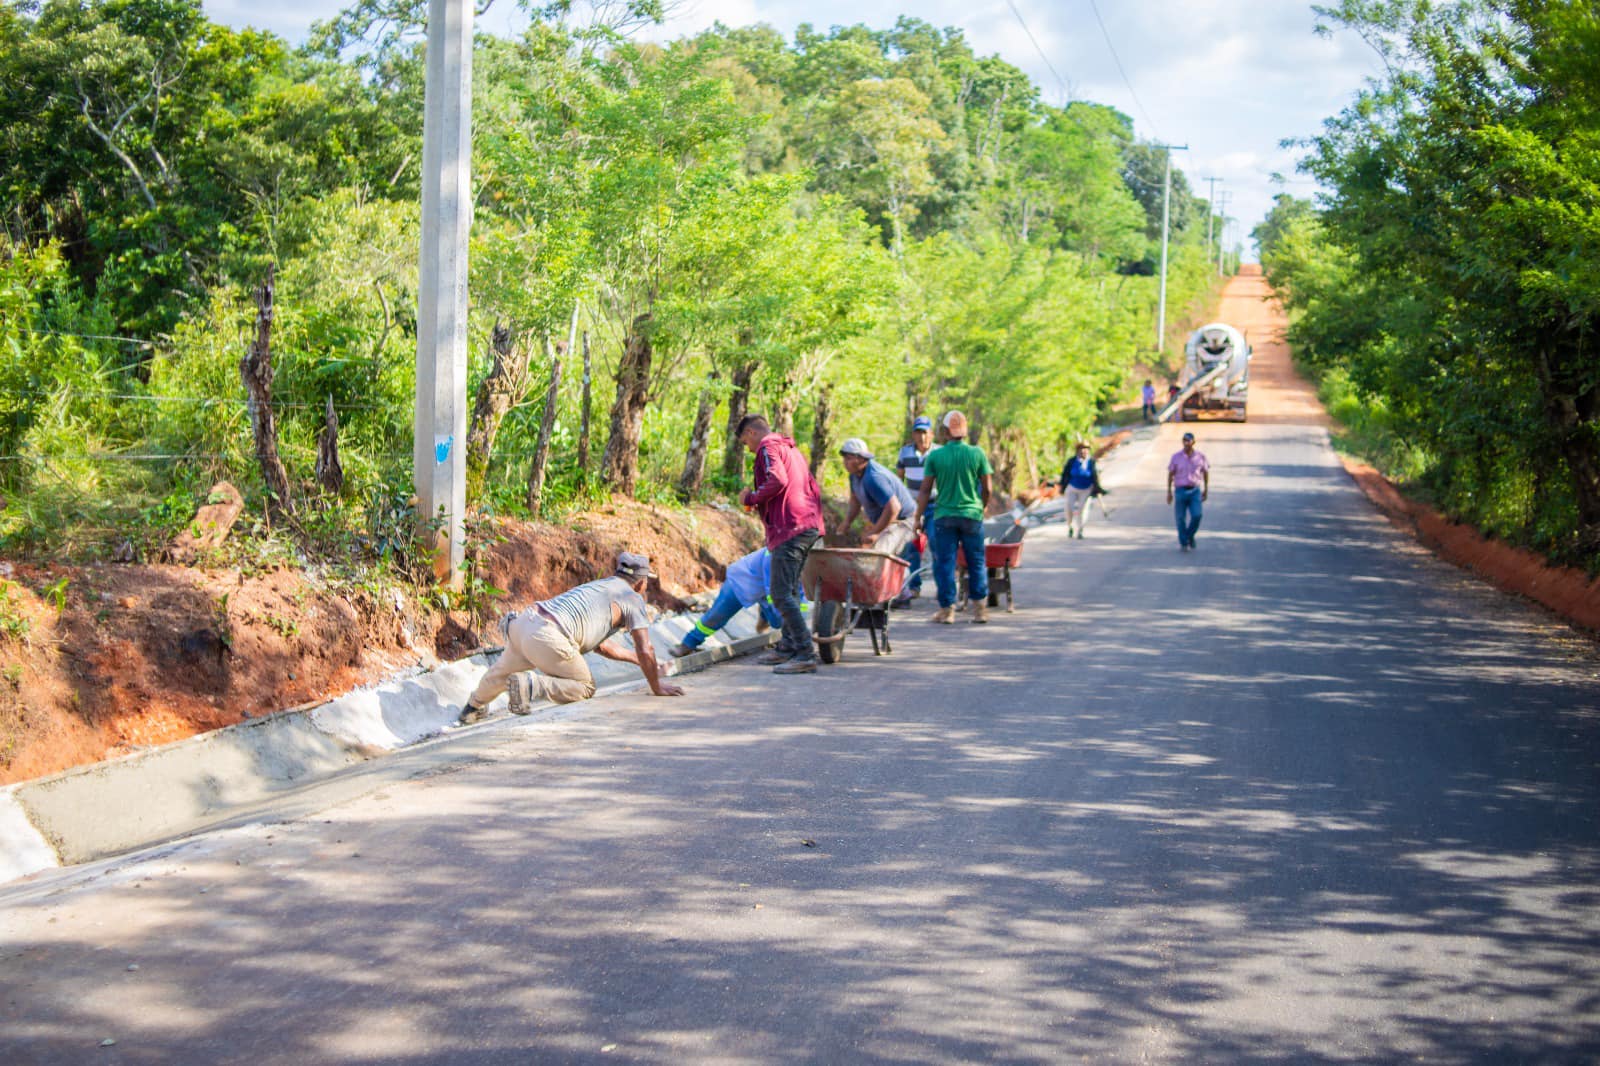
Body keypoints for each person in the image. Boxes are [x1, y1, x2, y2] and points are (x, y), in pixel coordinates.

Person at [458, 552, 683, 724]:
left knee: (502, 672)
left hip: (524, 623)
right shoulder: (631, 597)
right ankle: (530, 684)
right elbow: (646, 649)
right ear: (641, 582)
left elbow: (602, 645)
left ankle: (473, 707)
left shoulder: (599, 586)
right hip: (550, 635)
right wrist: (656, 686)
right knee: (584, 686)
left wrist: (642, 663)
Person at [738, 414, 825, 674]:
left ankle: (805, 654)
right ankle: (788, 646)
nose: (748, 448)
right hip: (807, 525)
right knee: (791, 592)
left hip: (791, 527)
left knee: (780, 593)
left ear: (752, 433)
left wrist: (752, 497)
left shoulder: (768, 447)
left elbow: (777, 479)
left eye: (745, 442)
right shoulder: (790, 448)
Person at [917, 410, 993, 624]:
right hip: (972, 515)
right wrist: (982, 506)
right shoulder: (977, 453)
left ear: (944, 431)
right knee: (976, 561)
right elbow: (987, 487)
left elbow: (924, 491)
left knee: (945, 563)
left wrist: (917, 517)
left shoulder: (936, 456)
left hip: (945, 516)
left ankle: (947, 610)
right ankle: (980, 610)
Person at [666, 547, 804, 658]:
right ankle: (687, 644)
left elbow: (800, 590)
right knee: (716, 617)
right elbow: (773, 591)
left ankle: (764, 613)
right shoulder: (773, 556)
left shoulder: (800, 559)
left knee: (778, 621)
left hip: (763, 590)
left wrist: (797, 621)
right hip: (740, 583)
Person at [840, 437, 917, 557]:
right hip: (889, 521)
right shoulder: (854, 476)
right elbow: (855, 501)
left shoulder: (874, 478)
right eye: (844, 458)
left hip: (905, 521)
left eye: (849, 458)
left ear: (860, 459)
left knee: (878, 554)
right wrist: (846, 523)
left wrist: (876, 532)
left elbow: (894, 508)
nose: (845, 462)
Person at [894, 415, 937, 606]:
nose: (922, 437)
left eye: (925, 432)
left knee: (937, 544)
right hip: (911, 506)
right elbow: (899, 480)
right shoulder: (905, 453)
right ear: (913, 434)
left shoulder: (938, 453)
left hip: (934, 505)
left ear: (931, 434)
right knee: (911, 547)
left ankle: (941, 587)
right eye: (918, 432)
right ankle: (913, 587)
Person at [1167, 431, 1210, 552]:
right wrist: (1169, 492)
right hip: (1180, 491)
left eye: (1188, 440)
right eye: (1184, 440)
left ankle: (1189, 535)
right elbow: (1170, 474)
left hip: (1194, 491)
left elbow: (1205, 472)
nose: (1186, 443)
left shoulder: (1200, 457)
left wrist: (1206, 489)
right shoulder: (1176, 457)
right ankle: (1184, 542)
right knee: (1180, 518)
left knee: (1197, 515)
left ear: (1193, 442)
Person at [1058, 441, 1107, 539]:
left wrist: (1098, 489)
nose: (1084, 451)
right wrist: (1062, 487)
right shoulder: (1072, 461)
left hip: (1086, 489)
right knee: (1069, 508)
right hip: (1072, 488)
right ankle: (1070, 526)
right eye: (1081, 449)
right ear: (1077, 451)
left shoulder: (1091, 462)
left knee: (1082, 510)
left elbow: (1095, 477)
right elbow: (1065, 475)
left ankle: (1080, 529)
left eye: (1086, 449)